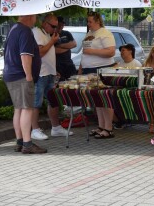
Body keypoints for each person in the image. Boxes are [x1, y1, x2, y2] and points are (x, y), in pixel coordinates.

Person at [2, 15, 46, 154]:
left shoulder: (13, 29)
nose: (36, 18)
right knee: (27, 108)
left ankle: (20, 141)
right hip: (21, 75)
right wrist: (28, 76)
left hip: (11, 74)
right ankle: (27, 144)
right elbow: (25, 55)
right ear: (29, 16)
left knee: (18, 108)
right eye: (35, 15)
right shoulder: (25, 31)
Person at [30, 14, 73, 141]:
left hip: (50, 73)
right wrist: (52, 42)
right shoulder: (37, 32)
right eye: (53, 26)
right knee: (36, 103)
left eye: (57, 26)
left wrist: (54, 71)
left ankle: (56, 127)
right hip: (40, 73)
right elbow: (40, 53)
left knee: (53, 101)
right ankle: (35, 129)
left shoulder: (48, 35)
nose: (55, 29)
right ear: (44, 23)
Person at [79, 11, 116, 139]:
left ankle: (108, 128)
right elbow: (85, 53)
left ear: (98, 21)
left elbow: (111, 52)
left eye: (90, 21)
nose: (88, 24)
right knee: (97, 100)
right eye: (87, 21)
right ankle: (101, 126)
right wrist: (81, 67)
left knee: (104, 99)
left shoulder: (105, 33)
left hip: (101, 69)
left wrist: (92, 51)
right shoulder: (90, 34)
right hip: (89, 69)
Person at [112, 44, 142, 130]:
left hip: (131, 88)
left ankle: (122, 120)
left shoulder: (136, 63)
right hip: (120, 87)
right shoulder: (119, 64)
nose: (121, 53)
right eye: (121, 51)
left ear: (130, 51)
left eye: (123, 50)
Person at [54, 16, 77, 81]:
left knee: (73, 83)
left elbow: (74, 44)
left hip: (69, 64)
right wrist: (68, 47)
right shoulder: (52, 34)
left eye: (62, 24)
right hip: (58, 66)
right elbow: (54, 50)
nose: (61, 26)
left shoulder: (67, 33)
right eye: (59, 24)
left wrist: (59, 45)